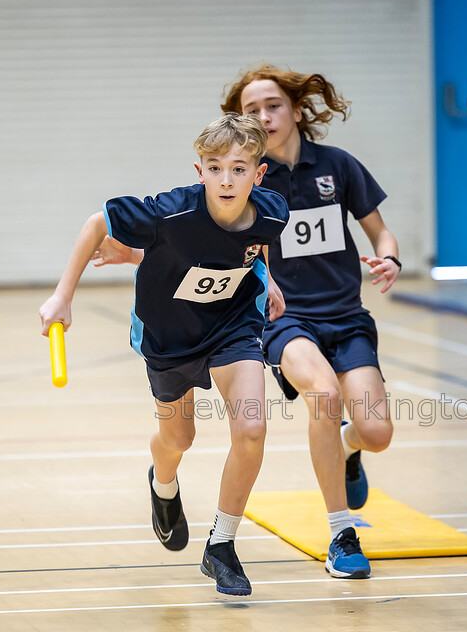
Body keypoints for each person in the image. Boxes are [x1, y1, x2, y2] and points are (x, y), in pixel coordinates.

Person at [96, 65, 399, 578]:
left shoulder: (337, 167)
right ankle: (341, 534)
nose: (264, 116)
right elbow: (191, 242)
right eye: (251, 110)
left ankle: (348, 447)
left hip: (346, 316)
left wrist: (388, 258)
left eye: (273, 105)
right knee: (321, 397)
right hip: (280, 319)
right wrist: (135, 255)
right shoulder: (236, 174)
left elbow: (380, 233)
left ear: (297, 110)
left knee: (376, 430)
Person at [39, 113, 290, 595]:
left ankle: (222, 544)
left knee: (253, 426)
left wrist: (268, 279)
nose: (226, 179)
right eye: (215, 167)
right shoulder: (170, 211)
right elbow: (98, 223)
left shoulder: (274, 210)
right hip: (169, 335)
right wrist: (62, 295)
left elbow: (249, 248)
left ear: (259, 175)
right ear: (199, 172)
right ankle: (163, 483)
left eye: (239, 168)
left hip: (232, 326)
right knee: (179, 438)